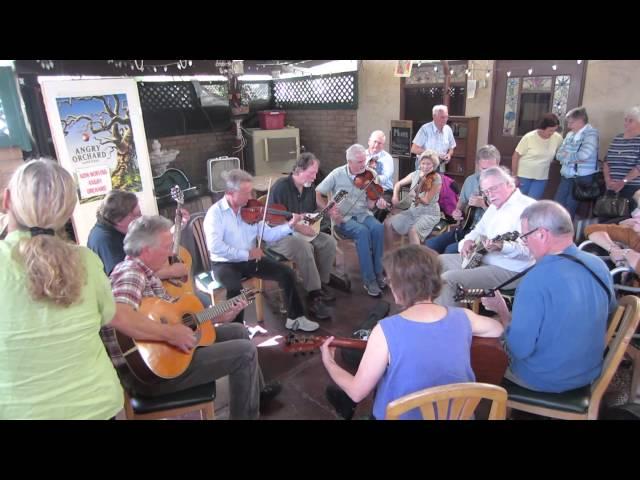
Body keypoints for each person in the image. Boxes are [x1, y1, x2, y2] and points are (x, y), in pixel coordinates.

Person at [109, 215, 281, 419]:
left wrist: (219, 316)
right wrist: (170, 334)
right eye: (166, 246)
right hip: (152, 375)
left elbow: (179, 320)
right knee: (245, 352)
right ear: (147, 250)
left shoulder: (148, 273)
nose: (171, 252)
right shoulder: (130, 273)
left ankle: (255, 395)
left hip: (164, 356)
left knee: (238, 330)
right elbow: (118, 316)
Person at [319, 245, 503, 420]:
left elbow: (357, 392)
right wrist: (503, 312)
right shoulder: (465, 317)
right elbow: (498, 329)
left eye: (390, 281)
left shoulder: (384, 329)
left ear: (399, 288)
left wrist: (328, 362)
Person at [0, 159, 122, 419]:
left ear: (6, 200)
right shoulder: (87, 260)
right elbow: (110, 315)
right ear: (67, 214)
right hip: (98, 405)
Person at [482, 201, 616, 393]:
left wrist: (503, 313)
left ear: (542, 234)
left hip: (545, 378)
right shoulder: (598, 265)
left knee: (483, 357)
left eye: (525, 237)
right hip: (590, 371)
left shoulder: (535, 280)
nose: (525, 244)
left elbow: (519, 349)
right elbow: (609, 309)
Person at [204, 169, 320, 332]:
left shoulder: (252, 211)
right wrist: (248, 254)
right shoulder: (215, 214)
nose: (250, 197)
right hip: (224, 264)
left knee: (286, 273)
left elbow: (270, 235)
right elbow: (215, 247)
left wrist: (290, 225)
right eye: (245, 192)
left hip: (250, 260)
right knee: (235, 288)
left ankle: (295, 318)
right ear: (230, 192)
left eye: (250, 191)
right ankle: (236, 330)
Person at [435, 166, 536, 307]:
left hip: (509, 269)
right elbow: (478, 230)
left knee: (448, 279)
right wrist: (467, 240)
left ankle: (451, 325)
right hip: (481, 258)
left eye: (493, 189)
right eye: (486, 192)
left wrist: (503, 247)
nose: (490, 195)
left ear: (509, 183)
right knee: (435, 263)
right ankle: (437, 313)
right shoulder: (494, 205)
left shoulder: (529, 208)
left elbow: (530, 253)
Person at [268, 152, 337, 320]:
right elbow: (273, 218)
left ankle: (320, 284)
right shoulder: (280, 187)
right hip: (278, 234)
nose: (315, 177)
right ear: (299, 170)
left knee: (329, 242)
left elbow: (310, 212)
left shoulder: (308, 188)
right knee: (304, 248)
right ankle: (314, 296)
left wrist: (328, 212)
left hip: (300, 232)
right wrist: (299, 227)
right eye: (311, 173)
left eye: (315, 173)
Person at [316, 144, 387, 297]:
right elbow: (318, 193)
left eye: (364, 160)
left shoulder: (371, 173)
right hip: (343, 219)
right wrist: (330, 211)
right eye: (360, 162)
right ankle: (369, 280)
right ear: (350, 162)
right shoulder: (337, 174)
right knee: (362, 232)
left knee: (378, 228)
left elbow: (370, 203)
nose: (364, 165)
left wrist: (377, 202)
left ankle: (378, 273)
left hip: (363, 214)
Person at [87, 189, 190, 279]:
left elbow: (152, 242)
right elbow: (125, 278)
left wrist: (176, 227)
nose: (141, 218)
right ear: (119, 220)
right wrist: (171, 272)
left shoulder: (120, 227)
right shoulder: (103, 240)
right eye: (136, 215)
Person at [425, 145, 501, 254]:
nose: (487, 173)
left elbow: (504, 216)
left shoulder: (503, 185)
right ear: (478, 165)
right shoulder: (471, 180)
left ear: (498, 165)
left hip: (487, 234)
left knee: (450, 250)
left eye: (491, 169)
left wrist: (484, 205)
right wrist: (457, 212)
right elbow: (461, 203)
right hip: (467, 228)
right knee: (430, 245)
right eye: (484, 169)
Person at [385, 150, 442, 245]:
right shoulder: (415, 174)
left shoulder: (436, 178)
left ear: (434, 165)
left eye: (429, 164)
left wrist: (415, 196)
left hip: (429, 213)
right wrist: (395, 196)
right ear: (420, 163)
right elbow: (398, 184)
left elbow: (426, 201)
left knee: (413, 231)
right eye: (423, 163)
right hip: (413, 210)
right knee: (387, 223)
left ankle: (415, 258)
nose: (425, 166)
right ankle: (390, 251)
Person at [553, 107, 600, 217]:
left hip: (582, 177)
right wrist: (572, 159)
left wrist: (567, 157)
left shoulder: (591, 134)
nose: (569, 126)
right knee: (557, 203)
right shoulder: (570, 135)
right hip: (566, 175)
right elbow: (559, 154)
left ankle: (565, 231)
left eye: (571, 123)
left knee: (571, 206)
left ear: (580, 121)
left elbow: (584, 155)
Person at [511, 113, 563, 199]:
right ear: (542, 128)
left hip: (541, 177)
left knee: (533, 202)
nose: (552, 133)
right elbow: (516, 156)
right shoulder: (529, 137)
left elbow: (561, 153)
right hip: (524, 175)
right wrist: (514, 176)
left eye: (555, 130)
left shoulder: (557, 138)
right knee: (520, 201)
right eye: (550, 130)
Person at [602, 105, 640, 211]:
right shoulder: (617, 138)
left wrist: (623, 181)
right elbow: (606, 161)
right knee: (606, 219)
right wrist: (607, 180)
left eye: (630, 120)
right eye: (625, 120)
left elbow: (638, 167)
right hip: (611, 187)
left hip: (632, 189)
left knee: (626, 222)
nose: (626, 123)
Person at [411, 104, 456, 172]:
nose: (445, 119)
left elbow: (451, 147)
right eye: (442, 117)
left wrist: (449, 155)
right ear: (434, 116)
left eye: (446, 117)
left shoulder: (448, 129)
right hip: (424, 167)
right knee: (424, 183)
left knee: (439, 182)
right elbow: (414, 149)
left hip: (440, 166)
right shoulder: (425, 129)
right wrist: (434, 155)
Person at [364, 130, 394, 222]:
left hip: (384, 190)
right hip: (363, 189)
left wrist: (372, 179)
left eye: (380, 143)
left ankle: (374, 228)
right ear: (369, 141)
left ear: (383, 145)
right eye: (375, 141)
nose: (376, 145)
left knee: (381, 205)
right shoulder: (361, 155)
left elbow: (385, 177)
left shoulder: (387, 158)